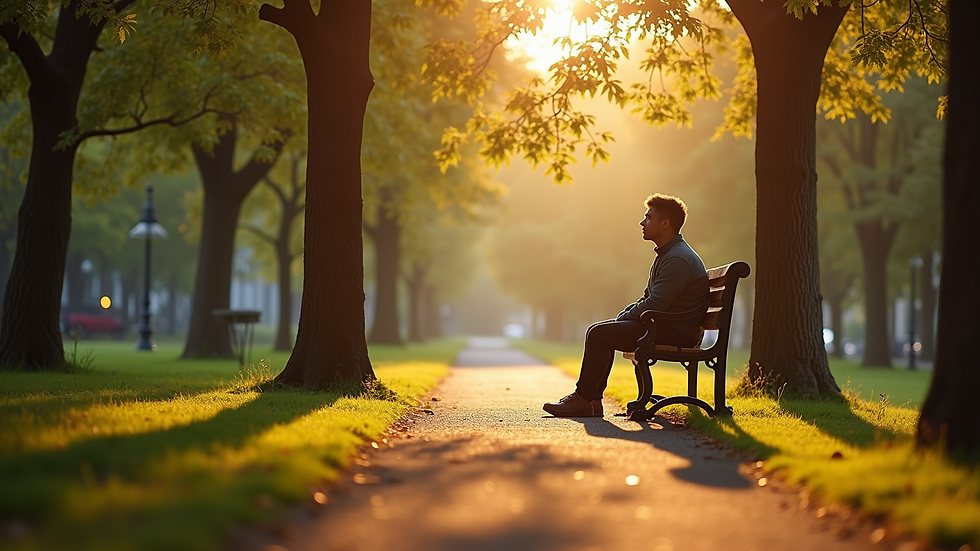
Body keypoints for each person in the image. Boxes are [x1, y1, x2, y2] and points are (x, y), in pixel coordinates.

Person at [543, 194, 709, 417]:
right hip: (667, 325)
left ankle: (585, 399)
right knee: (600, 331)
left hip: (676, 331)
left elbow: (655, 304)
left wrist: (625, 317)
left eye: (648, 218)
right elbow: (649, 299)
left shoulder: (677, 259)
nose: (642, 223)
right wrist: (625, 315)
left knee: (599, 334)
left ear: (665, 223)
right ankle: (591, 401)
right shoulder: (669, 255)